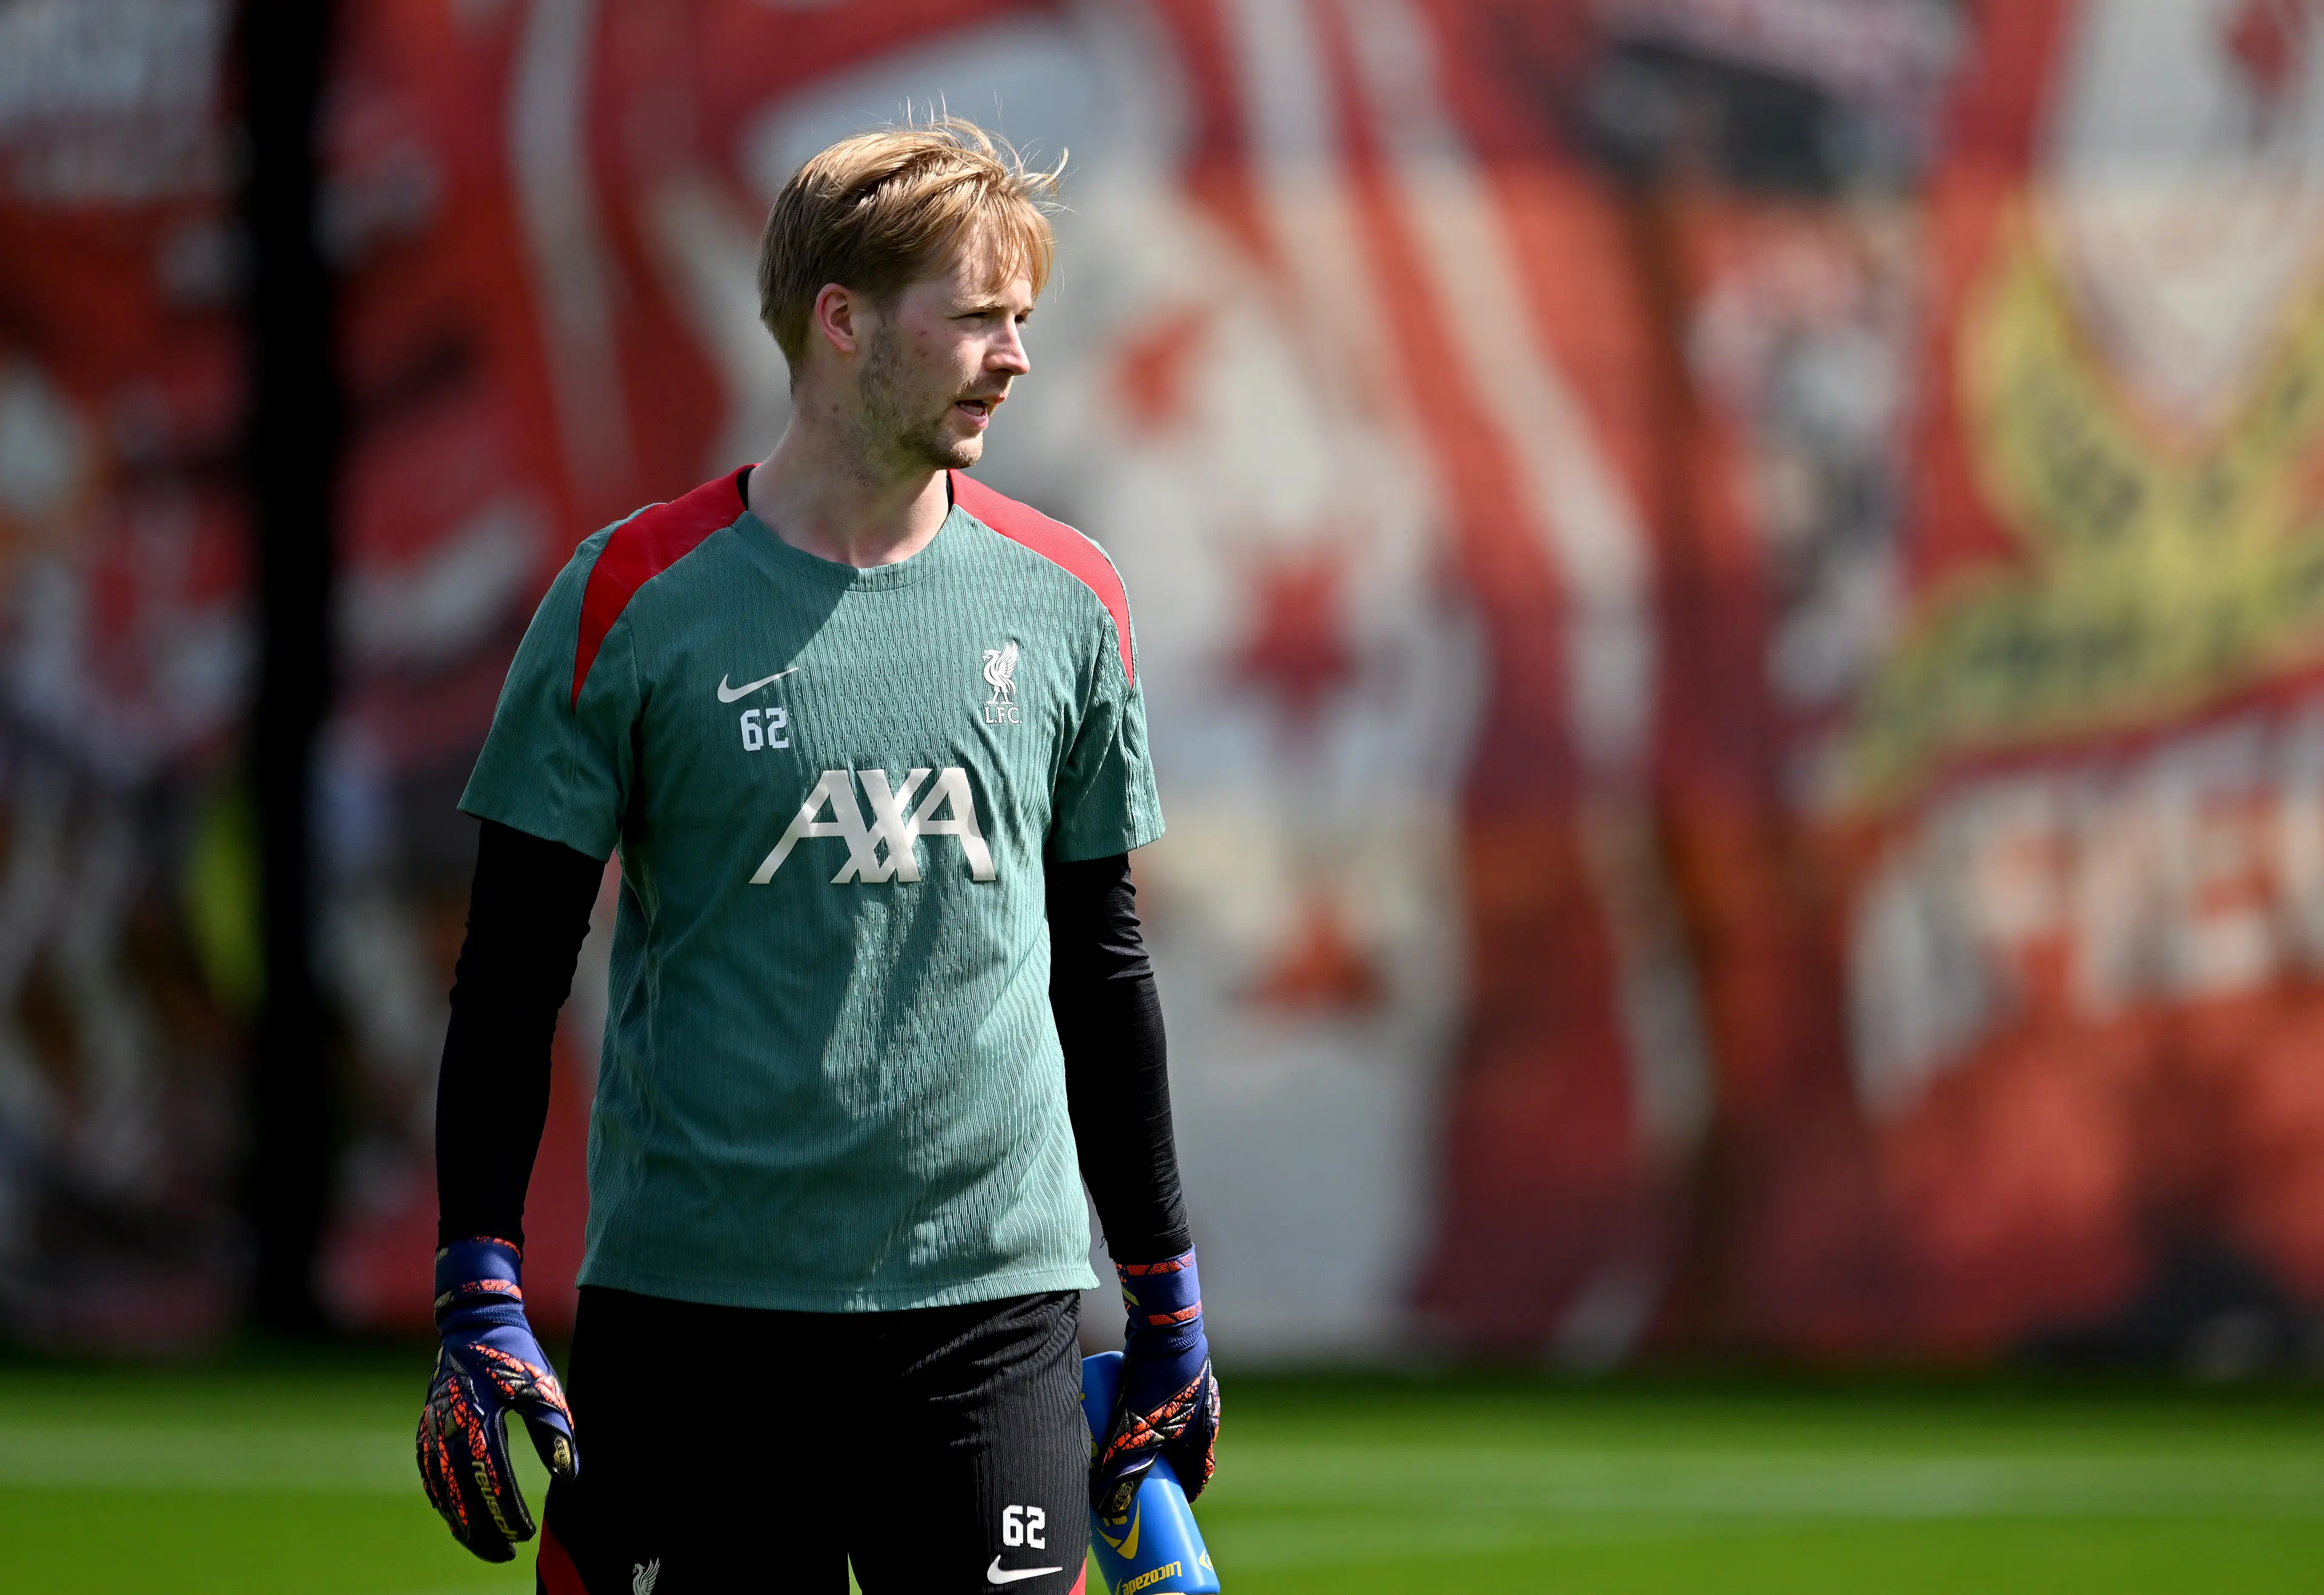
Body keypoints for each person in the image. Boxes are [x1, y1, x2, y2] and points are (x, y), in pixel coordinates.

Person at [413, 118, 1216, 1594]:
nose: (1015, 356)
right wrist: (478, 1278)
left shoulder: (1070, 600)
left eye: (1022, 319)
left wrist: (1162, 1296)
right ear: (840, 320)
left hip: (991, 1325)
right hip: (693, 1322)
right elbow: (511, 975)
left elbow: (1104, 968)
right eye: (977, 316)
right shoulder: (627, 601)